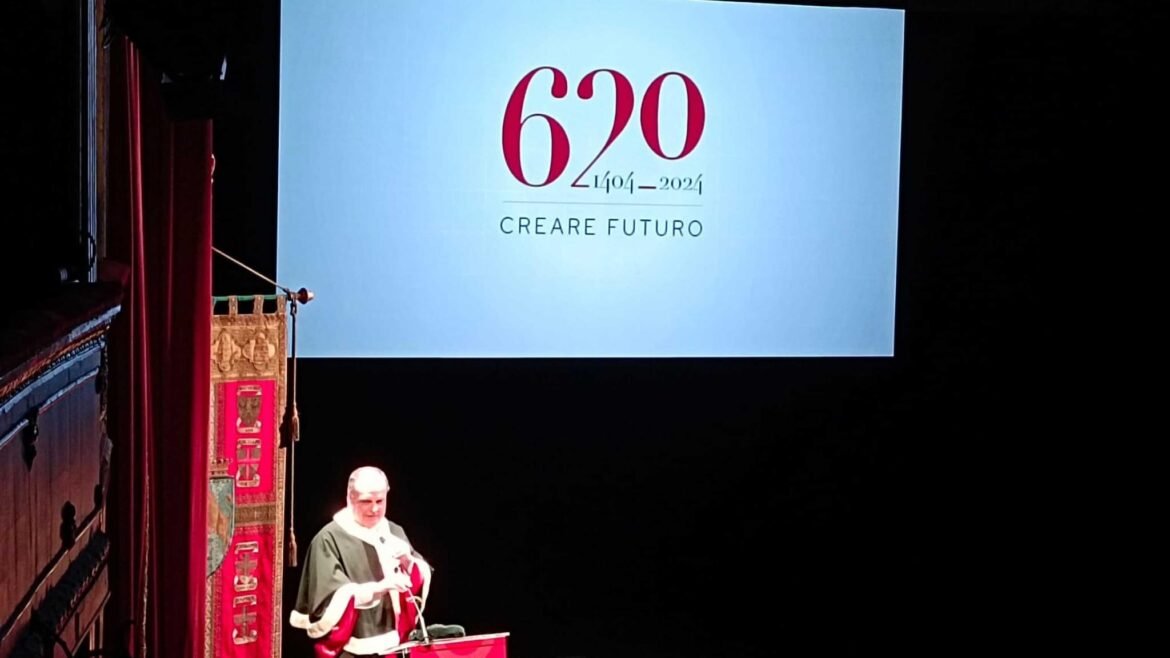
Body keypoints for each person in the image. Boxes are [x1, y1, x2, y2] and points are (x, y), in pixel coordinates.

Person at [290, 466, 432, 657]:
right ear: (350, 498)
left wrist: (408, 562)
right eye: (366, 501)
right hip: (353, 650)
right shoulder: (328, 538)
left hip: (397, 646)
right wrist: (380, 588)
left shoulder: (393, 531)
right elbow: (326, 602)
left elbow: (417, 580)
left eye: (380, 501)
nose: (374, 509)